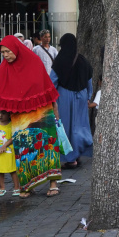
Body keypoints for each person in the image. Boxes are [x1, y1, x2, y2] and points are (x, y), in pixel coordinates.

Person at [0, 35, 62, 198]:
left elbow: (46, 87)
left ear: (16, 48)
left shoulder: (34, 62)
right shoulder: (5, 67)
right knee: (24, 150)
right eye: (3, 53)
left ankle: (53, 184)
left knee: (46, 147)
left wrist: (56, 115)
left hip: (41, 113)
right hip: (20, 116)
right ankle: (28, 186)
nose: (6, 55)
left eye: (8, 51)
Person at [50, 34, 93, 169]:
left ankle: (70, 158)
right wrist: (88, 97)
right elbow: (89, 81)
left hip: (64, 97)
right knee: (80, 126)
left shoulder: (60, 60)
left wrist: (50, 99)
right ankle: (78, 153)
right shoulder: (83, 60)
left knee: (66, 126)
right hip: (81, 96)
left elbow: (52, 82)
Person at [0, 109, 21, 197]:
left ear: (9, 115)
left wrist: (5, 146)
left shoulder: (11, 125)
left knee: (12, 170)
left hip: (9, 151)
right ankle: (2, 187)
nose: (0, 115)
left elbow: (13, 137)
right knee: (0, 171)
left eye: (3, 113)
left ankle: (16, 187)